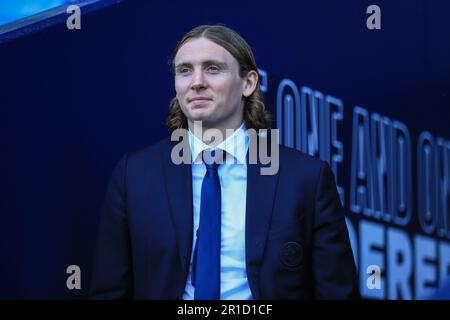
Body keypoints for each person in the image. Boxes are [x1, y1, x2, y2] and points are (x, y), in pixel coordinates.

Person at [89, 24, 359, 300]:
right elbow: (110, 291)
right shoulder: (134, 174)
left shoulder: (306, 178)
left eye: (213, 69)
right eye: (184, 70)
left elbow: (337, 292)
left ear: (248, 83)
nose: (196, 82)